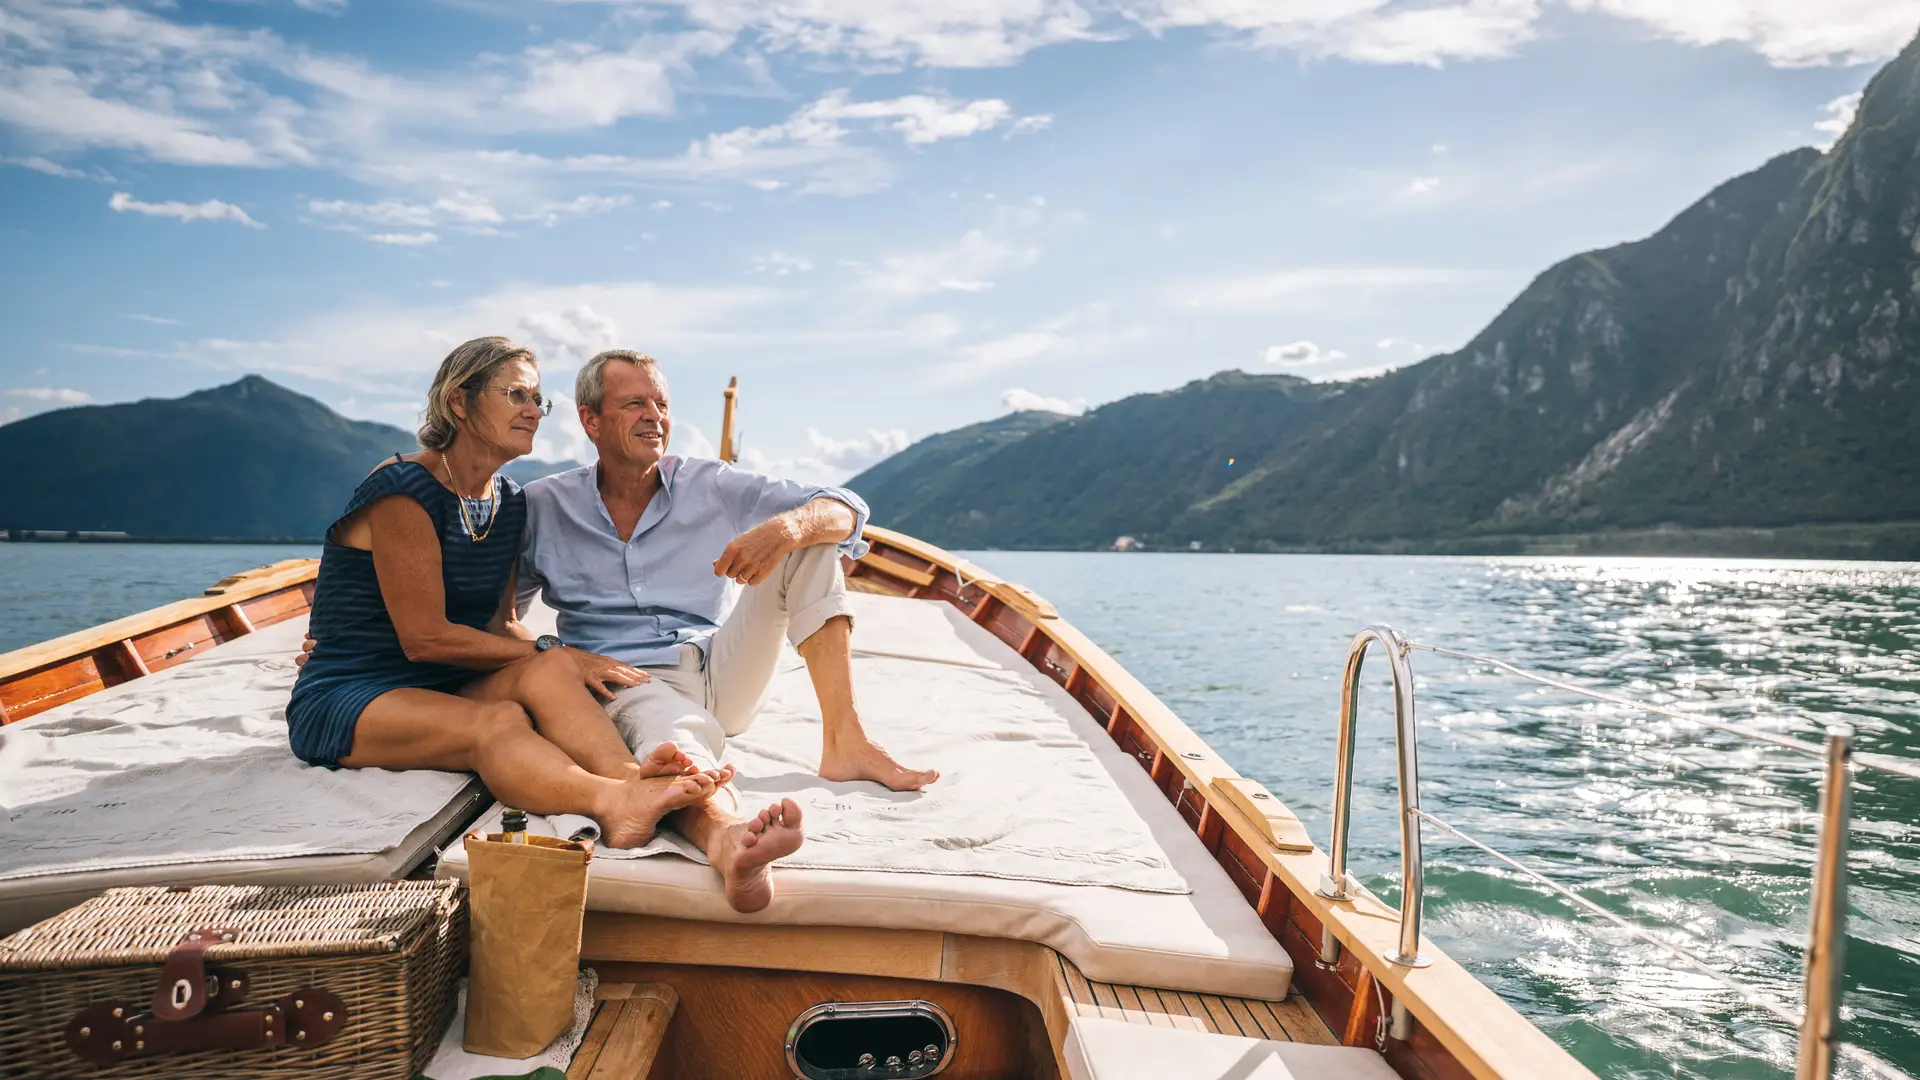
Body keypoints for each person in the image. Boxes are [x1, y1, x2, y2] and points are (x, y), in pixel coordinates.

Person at [514, 349, 939, 912]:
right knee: (675, 737)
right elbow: (500, 623)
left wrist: (785, 529)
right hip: (629, 680)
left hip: (721, 665)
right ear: (590, 420)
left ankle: (846, 742)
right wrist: (559, 654)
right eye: (635, 403)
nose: (655, 416)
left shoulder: (707, 484)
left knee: (811, 544)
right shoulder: (542, 506)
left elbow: (847, 510)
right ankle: (729, 837)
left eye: (662, 403)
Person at [287, 336, 731, 851]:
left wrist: (564, 661)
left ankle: (634, 779)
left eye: (538, 400)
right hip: (354, 691)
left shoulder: (509, 502)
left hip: (446, 683)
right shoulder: (403, 488)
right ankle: (610, 802)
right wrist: (559, 651)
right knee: (501, 719)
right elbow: (425, 639)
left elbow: (500, 626)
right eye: (517, 395)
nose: (534, 412)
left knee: (551, 666)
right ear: (459, 401)